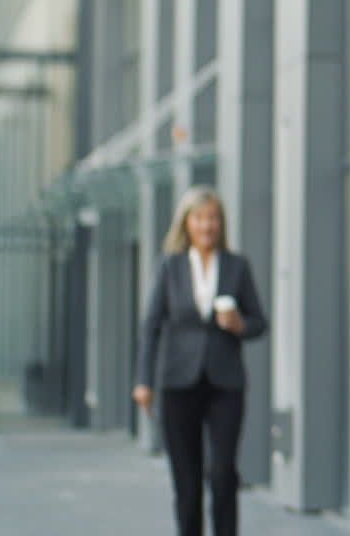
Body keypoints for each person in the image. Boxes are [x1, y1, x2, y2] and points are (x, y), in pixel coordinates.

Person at [133, 185, 268, 536]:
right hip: (177, 382)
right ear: (187, 224)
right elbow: (151, 326)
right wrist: (143, 381)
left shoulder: (237, 266)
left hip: (225, 383)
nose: (207, 226)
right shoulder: (169, 266)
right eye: (200, 218)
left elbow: (259, 323)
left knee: (223, 474)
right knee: (187, 481)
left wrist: (239, 324)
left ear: (220, 224)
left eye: (213, 218)